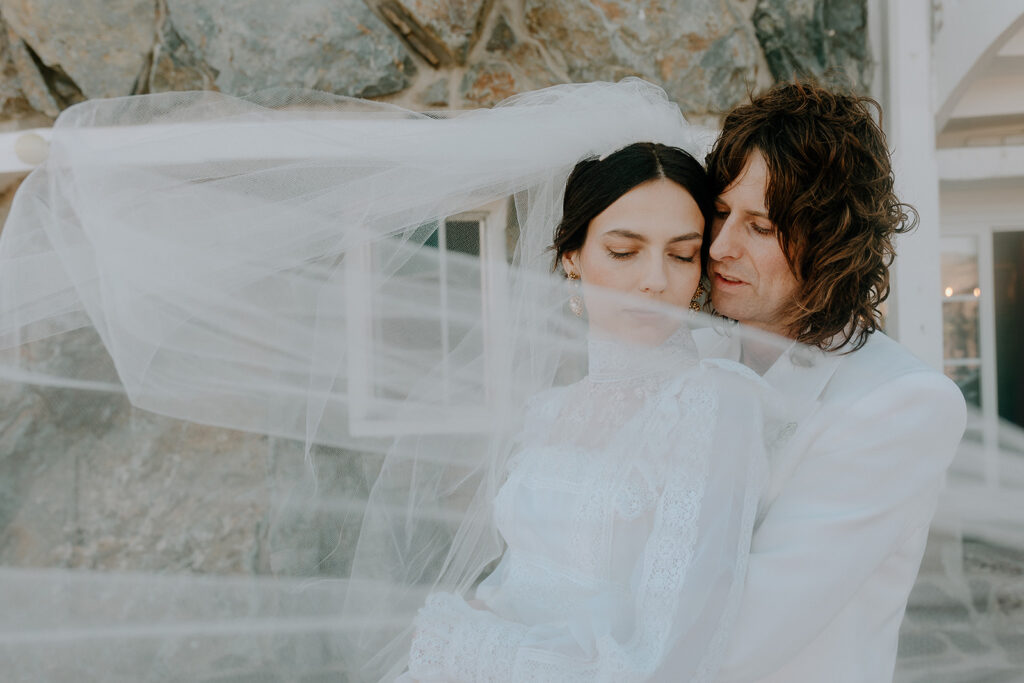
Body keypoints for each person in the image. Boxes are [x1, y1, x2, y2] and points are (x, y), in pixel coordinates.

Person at [397, 142, 777, 682]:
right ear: (572, 257)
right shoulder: (549, 411)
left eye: (682, 253)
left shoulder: (712, 404)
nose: (654, 280)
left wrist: (463, 644)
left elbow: (671, 652)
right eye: (625, 251)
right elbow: (514, 580)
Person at [694, 82, 968, 682]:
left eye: (760, 228)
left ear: (831, 240)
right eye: (720, 212)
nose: (719, 247)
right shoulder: (687, 361)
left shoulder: (901, 403)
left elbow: (743, 638)